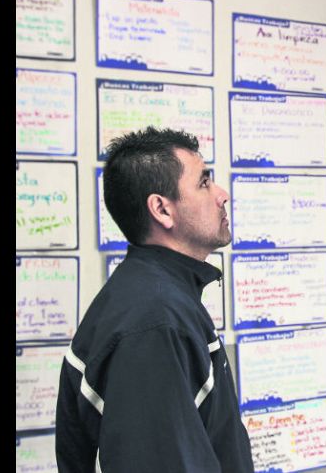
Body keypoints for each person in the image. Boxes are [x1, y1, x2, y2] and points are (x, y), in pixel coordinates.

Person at [55, 127, 254, 472]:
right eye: (204, 183)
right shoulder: (154, 323)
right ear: (162, 209)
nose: (222, 195)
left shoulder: (158, 294)